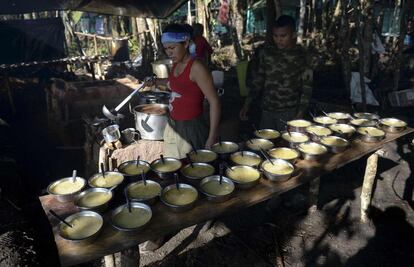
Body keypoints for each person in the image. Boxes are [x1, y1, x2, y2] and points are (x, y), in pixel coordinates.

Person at [154, 23, 221, 159]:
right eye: (166, 48)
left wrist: (212, 136)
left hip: (192, 128)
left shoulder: (197, 67)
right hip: (173, 126)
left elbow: (215, 102)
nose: (169, 52)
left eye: (172, 47)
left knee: (192, 171)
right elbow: (175, 84)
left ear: (185, 43)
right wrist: (155, 82)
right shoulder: (176, 63)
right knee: (174, 169)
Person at [239, 15, 315, 130]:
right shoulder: (267, 53)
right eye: (275, 36)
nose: (278, 39)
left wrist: (300, 114)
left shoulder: (302, 56)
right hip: (267, 110)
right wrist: (247, 104)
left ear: (293, 34)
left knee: (285, 145)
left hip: (289, 112)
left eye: (283, 36)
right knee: (265, 143)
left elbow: (307, 88)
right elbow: (258, 81)